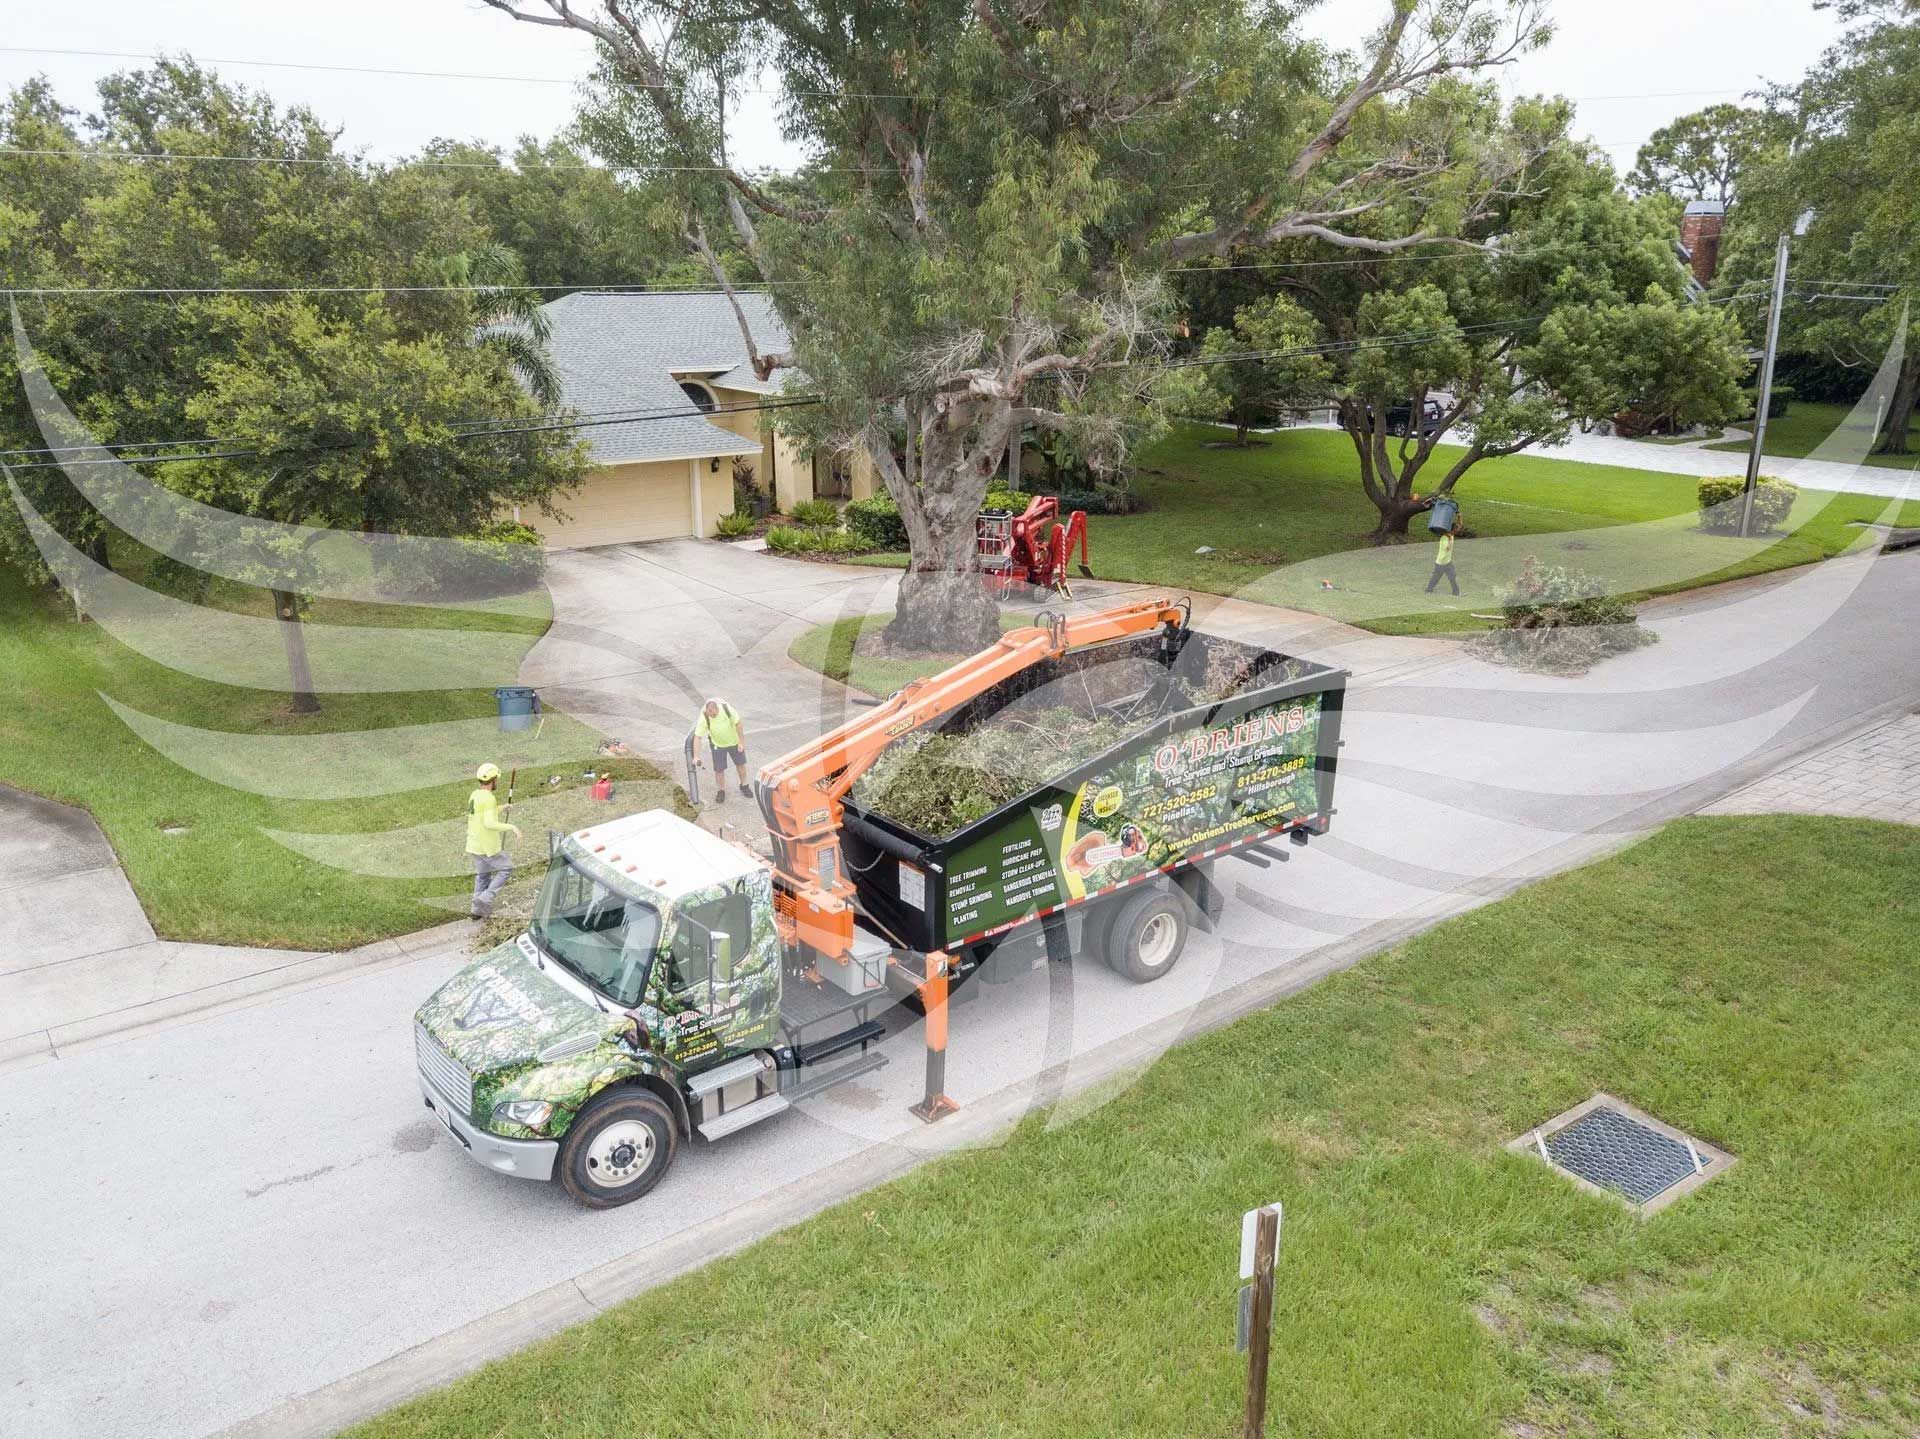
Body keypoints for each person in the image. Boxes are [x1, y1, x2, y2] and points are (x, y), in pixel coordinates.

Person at [466, 762, 523, 920]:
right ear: (492, 780)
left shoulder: (475, 795)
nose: (497, 781)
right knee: (506, 868)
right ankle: (485, 898)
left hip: (473, 845)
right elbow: (489, 823)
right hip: (487, 847)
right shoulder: (489, 797)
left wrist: (502, 807)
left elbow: (484, 813)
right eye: (496, 778)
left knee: (483, 876)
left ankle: (475, 911)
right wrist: (512, 827)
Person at [694, 698, 750, 804]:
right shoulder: (704, 716)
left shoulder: (727, 709)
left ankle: (744, 785)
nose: (712, 716)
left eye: (714, 714)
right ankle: (721, 790)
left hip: (734, 742)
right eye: (710, 715)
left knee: (740, 764)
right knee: (719, 769)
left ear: (717, 709)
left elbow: (738, 724)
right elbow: (698, 737)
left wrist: (741, 742)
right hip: (717, 744)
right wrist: (696, 756)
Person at [1425, 523, 1460, 596]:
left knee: (1453, 577)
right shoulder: (1444, 538)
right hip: (1440, 563)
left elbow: (1460, 525)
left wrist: (1460, 516)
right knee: (1436, 578)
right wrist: (1450, 538)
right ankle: (1428, 590)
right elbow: (1448, 548)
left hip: (1448, 562)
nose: (1457, 530)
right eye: (1456, 529)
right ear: (1452, 530)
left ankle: (1456, 593)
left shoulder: (1452, 535)